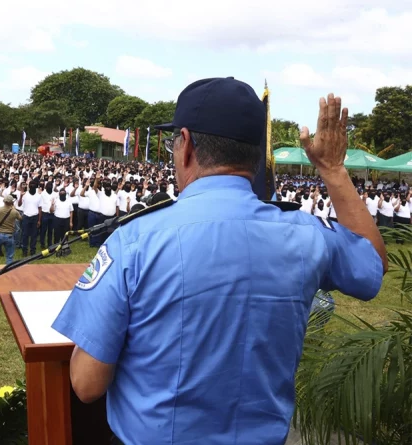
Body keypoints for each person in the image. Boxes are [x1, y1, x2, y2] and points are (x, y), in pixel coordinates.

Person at [51, 79, 388, 445]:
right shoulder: (307, 235)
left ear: (187, 145)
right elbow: (371, 266)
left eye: (172, 144)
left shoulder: (135, 241)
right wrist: (333, 169)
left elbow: (86, 384)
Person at [0, 194, 21, 265]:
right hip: (9, 235)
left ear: (4, 201)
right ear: (12, 203)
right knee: (9, 256)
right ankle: (8, 271)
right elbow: (20, 218)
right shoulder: (14, 212)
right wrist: (14, 208)